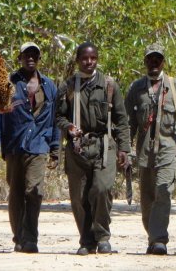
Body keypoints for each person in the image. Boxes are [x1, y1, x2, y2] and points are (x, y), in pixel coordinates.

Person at [55, 42, 130, 255]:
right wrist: (68, 127)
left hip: (104, 146)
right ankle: (86, 240)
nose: (89, 62)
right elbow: (58, 116)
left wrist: (125, 149)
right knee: (79, 197)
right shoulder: (68, 86)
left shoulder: (109, 85)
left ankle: (103, 236)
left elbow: (122, 120)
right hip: (77, 149)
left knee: (102, 189)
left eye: (93, 58)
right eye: (85, 58)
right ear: (78, 60)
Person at [0, 42, 60, 253]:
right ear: (19, 57)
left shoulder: (49, 86)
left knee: (34, 191)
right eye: (26, 55)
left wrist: (55, 147)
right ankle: (19, 235)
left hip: (39, 145)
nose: (31, 58)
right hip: (14, 144)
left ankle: (31, 238)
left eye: (34, 55)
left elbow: (55, 119)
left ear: (39, 59)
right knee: (17, 192)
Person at [125, 43, 176, 255]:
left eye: (158, 59)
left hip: (168, 150)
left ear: (163, 62)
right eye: (150, 59)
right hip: (144, 151)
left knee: (164, 191)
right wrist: (125, 150)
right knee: (147, 197)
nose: (154, 63)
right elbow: (128, 124)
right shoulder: (136, 88)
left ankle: (159, 238)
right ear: (145, 62)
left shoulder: (175, 86)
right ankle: (152, 236)